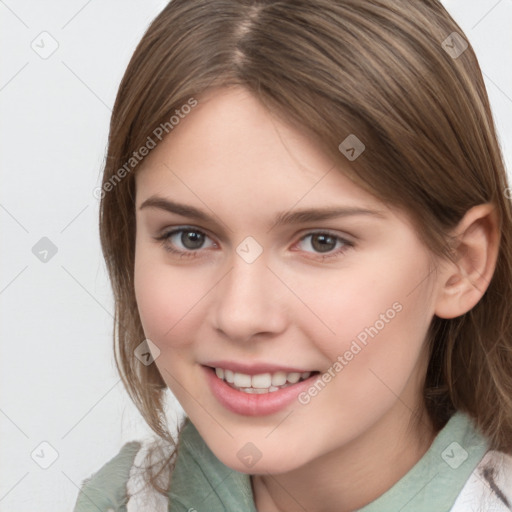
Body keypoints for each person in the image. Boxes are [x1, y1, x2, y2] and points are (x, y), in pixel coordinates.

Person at [73, 0, 512, 510]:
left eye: (321, 241)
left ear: (462, 263)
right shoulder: (118, 500)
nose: (240, 315)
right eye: (189, 237)